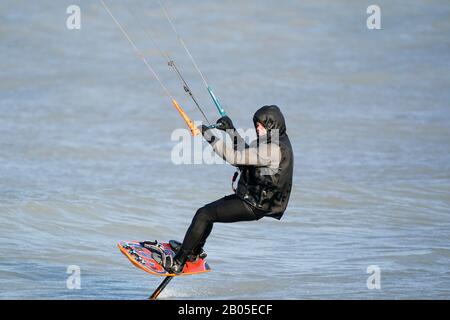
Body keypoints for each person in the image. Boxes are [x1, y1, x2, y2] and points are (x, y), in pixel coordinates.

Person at [167, 105, 294, 274]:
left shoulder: (272, 148)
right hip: (255, 200)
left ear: (272, 125)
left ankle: (179, 262)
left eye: (262, 125)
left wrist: (208, 135)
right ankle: (192, 252)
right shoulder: (276, 141)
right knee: (207, 215)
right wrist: (231, 131)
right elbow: (247, 154)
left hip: (253, 204)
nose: (258, 128)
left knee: (203, 215)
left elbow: (235, 157)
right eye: (256, 124)